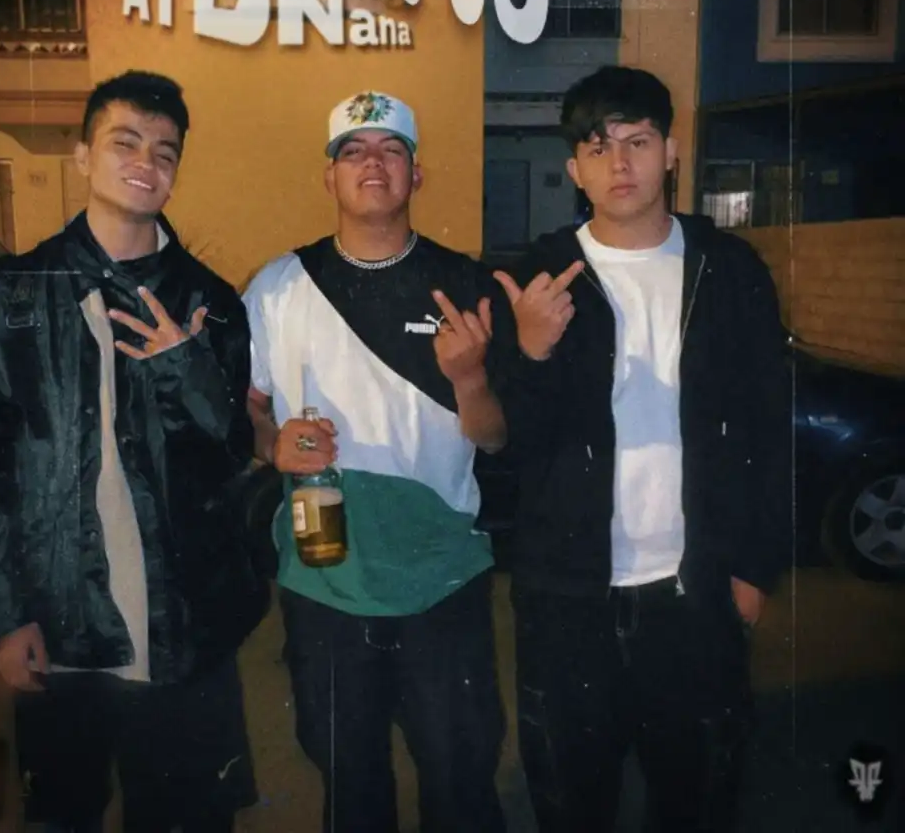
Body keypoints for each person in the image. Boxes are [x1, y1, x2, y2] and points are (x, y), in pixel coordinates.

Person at [0, 70, 266, 833]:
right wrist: (3, 616)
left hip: (183, 635)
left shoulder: (210, 301)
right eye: (125, 142)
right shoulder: (14, 293)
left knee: (188, 819)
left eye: (165, 151)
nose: (146, 162)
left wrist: (188, 371)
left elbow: (232, 455)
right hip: (60, 629)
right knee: (62, 814)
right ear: (83, 155)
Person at [495, 65, 792, 832]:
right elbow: (507, 447)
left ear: (671, 152)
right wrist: (529, 351)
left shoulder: (729, 270)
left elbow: (769, 427)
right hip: (568, 601)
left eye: (637, 141)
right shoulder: (538, 278)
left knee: (698, 802)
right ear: (575, 169)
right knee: (572, 805)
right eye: (598, 148)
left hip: (695, 594)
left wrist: (754, 571)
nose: (619, 163)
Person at [242, 91, 514, 833]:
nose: (373, 162)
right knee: (350, 780)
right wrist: (271, 442)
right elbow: (250, 410)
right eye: (353, 150)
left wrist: (469, 379)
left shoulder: (464, 284)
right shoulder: (278, 287)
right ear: (328, 176)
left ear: (415, 175)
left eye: (392, 150)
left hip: (442, 580)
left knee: (460, 779)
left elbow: (494, 439)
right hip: (326, 578)